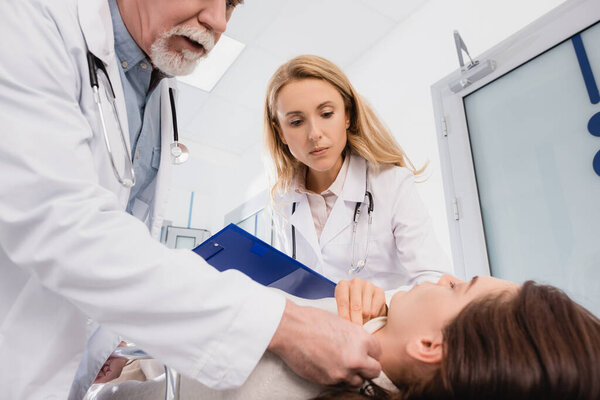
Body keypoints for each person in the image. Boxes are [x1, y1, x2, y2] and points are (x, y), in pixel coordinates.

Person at [0, 1, 382, 398]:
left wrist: (99, 338)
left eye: (232, 4)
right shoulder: (29, 20)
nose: (217, 22)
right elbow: (60, 225)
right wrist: (283, 326)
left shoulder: (161, 90)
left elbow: (117, 234)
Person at [84, 275, 600, 400]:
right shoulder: (376, 325)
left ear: (429, 346)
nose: (440, 276)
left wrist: (127, 368)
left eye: (458, 284)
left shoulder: (289, 379)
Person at [264, 55, 452, 314]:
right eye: (296, 122)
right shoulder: (283, 202)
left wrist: (379, 304)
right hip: (321, 339)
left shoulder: (391, 184)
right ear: (280, 132)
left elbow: (436, 281)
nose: (314, 134)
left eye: (327, 114)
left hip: (386, 337)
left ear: (348, 115)